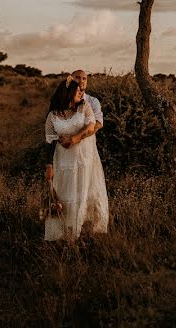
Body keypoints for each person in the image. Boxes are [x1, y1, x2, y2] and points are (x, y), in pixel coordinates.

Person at [44, 75, 109, 241]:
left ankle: (80, 232)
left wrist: (74, 138)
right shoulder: (53, 116)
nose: (81, 92)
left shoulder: (84, 107)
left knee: (82, 194)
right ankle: (63, 236)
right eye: (77, 90)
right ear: (68, 92)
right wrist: (49, 167)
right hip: (63, 160)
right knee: (65, 194)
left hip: (83, 160)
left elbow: (91, 126)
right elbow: (49, 142)